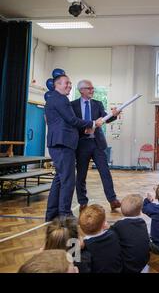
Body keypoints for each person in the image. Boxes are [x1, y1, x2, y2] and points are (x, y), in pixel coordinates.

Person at [44, 74, 103, 221]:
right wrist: (92, 124)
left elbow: (67, 122)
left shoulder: (53, 98)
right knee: (68, 180)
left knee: (60, 179)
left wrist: (85, 128)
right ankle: (65, 214)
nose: (69, 86)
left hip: (60, 143)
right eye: (66, 83)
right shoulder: (60, 98)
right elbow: (71, 120)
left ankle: (51, 214)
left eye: (70, 84)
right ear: (57, 84)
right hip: (63, 144)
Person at [71, 80, 121, 213]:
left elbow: (105, 118)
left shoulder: (97, 104)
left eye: (93, 88)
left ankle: (112, 200)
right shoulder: (73, 105)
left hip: (97, 143)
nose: (92, 90)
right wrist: (85, 129)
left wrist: (114, 115)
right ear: (81, 90)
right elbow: (72, 123)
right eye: (89, 88)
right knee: (81, 175)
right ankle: (82, 201)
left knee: (105, 172)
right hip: (82, 144)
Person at [110, 194, 151, 273]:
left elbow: (110, 237)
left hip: (127, 265)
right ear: (140, 211)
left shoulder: (119, 225)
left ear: (121, 210)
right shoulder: (142, 222)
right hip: (144, 261)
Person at [79, 204, 123, 273]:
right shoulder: (113, 235)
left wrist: (76, 246)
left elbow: (74, 261)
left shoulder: (85, 246)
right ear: (104, 224)